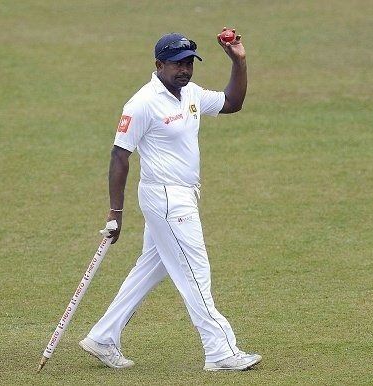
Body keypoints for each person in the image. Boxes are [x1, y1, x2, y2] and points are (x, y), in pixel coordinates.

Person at [78, 29, 261, 372]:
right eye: (177, 64)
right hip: (165, 199)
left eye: (189, 62)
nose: (185, 70)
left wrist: (239, 62)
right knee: (195, 273)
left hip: (183, 196)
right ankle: (221, 351)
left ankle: (103, 336)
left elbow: (231, 103)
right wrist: (115, 211)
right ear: (159, 64)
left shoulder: (189, 93)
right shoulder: (142, 103)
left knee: (150, 268)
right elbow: (119, 156)